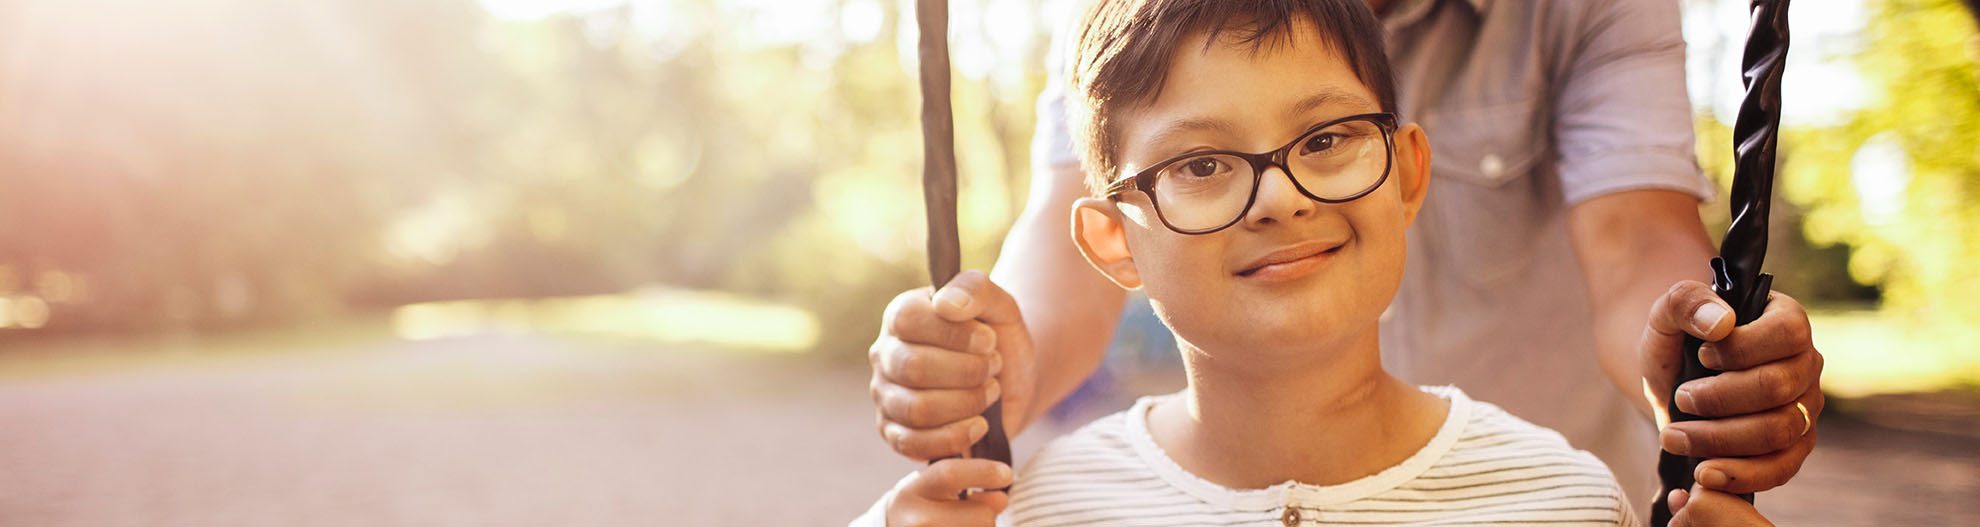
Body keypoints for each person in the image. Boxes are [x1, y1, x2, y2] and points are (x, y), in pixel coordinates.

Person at [866, 0, 1826, 516]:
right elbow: (1064, 247)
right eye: (1205, 164)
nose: (1278, 194)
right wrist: (976, 381)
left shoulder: (1569, 502)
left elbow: (1635, 240)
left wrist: (1702, 369)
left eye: (1328, 140)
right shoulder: (1053, 512)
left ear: (1410, 168)